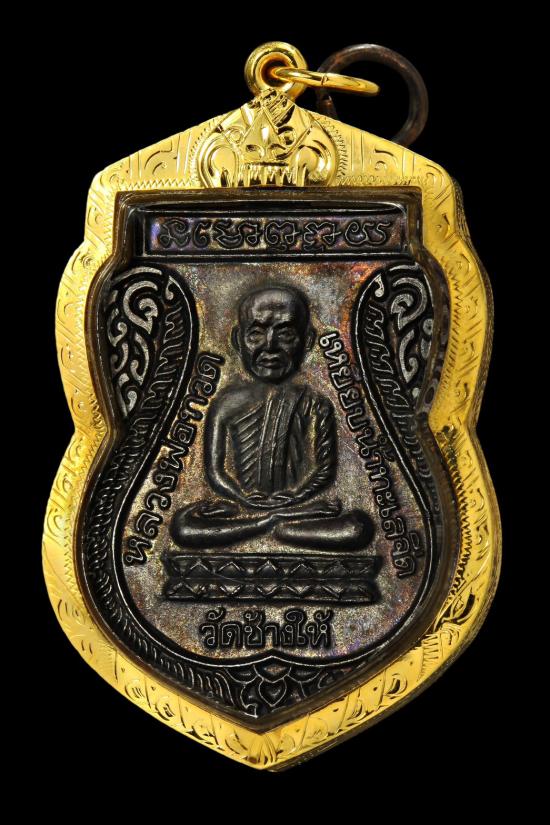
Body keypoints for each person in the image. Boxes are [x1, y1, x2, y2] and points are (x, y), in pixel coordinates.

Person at [170, 285, 373, 550]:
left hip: (299, 507)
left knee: (357, 528)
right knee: (182, 528)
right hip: (243, 509)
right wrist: (242, 497)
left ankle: (273, 522)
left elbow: (324, 470)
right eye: (256, 334)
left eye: (285, 334)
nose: (270, 346)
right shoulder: (226, 404)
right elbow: (215, 472)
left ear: (307, 341)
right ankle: (272, 522)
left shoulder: (315, 403)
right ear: (237, 340)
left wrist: (294, 497)